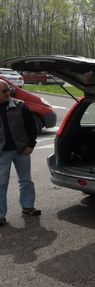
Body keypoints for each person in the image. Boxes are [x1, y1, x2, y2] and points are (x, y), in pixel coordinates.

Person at [0, 80, 41, 227]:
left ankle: (28, 207)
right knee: (1, 184)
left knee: (26, 180)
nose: (8, 93)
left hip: (22, 150)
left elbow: (32, 127)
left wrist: (30, 145)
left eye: (8, 90)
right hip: (2, 153)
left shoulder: (20, 105)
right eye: (4, 91)